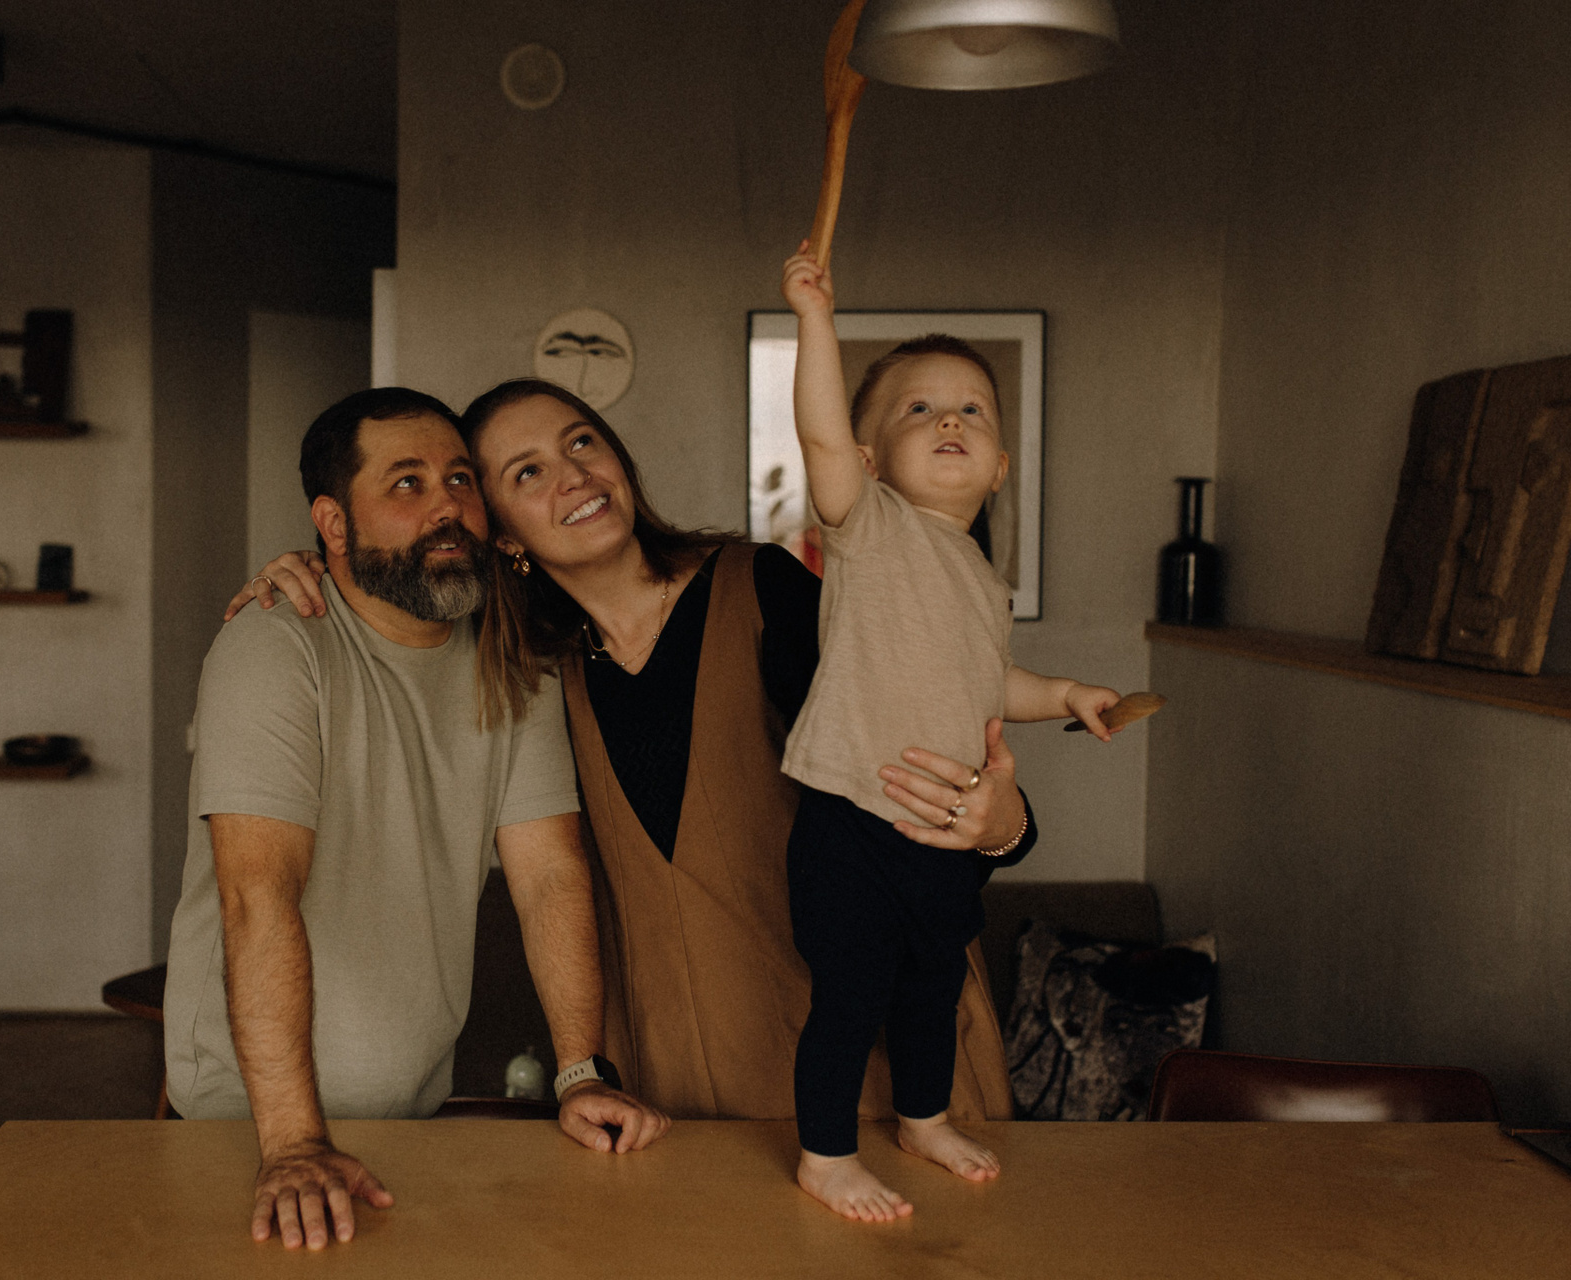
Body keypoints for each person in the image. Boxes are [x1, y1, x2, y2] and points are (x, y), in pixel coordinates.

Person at [235, 372, 1041, 1119]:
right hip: (676, 1085)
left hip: (877, 1065)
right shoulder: (530, 671)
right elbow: (398, 587)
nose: (574, 477)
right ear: (500, 533)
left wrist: (1005, 827)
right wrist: (316, 567)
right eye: (527, 472)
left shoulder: (763, 591)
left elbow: (924, 768)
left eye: (582, 442)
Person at [167, 388, 668, 1255]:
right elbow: (257, 898)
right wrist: (293, 1144)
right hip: (253, 1125)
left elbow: (550, 876)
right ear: (333, 523)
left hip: (413, 1108)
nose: (447, 507)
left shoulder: (509, 660)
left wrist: (580, 1074)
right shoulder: (275, 646)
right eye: (406, 484)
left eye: (460, 479)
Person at [776, 244, 1126, 1223]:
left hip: (942, 835)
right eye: (920, 408)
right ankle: (825, 1156)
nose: (950, 421)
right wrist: (814, 320)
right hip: (853, 818)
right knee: (852, 995)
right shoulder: (872, 529)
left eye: (973, 409)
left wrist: (1064, 692)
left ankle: (922, 1118)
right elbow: (819, 435)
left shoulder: (980, 578)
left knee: (933, 989)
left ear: (1001, 465)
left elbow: (986, 680)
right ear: (870, 458)